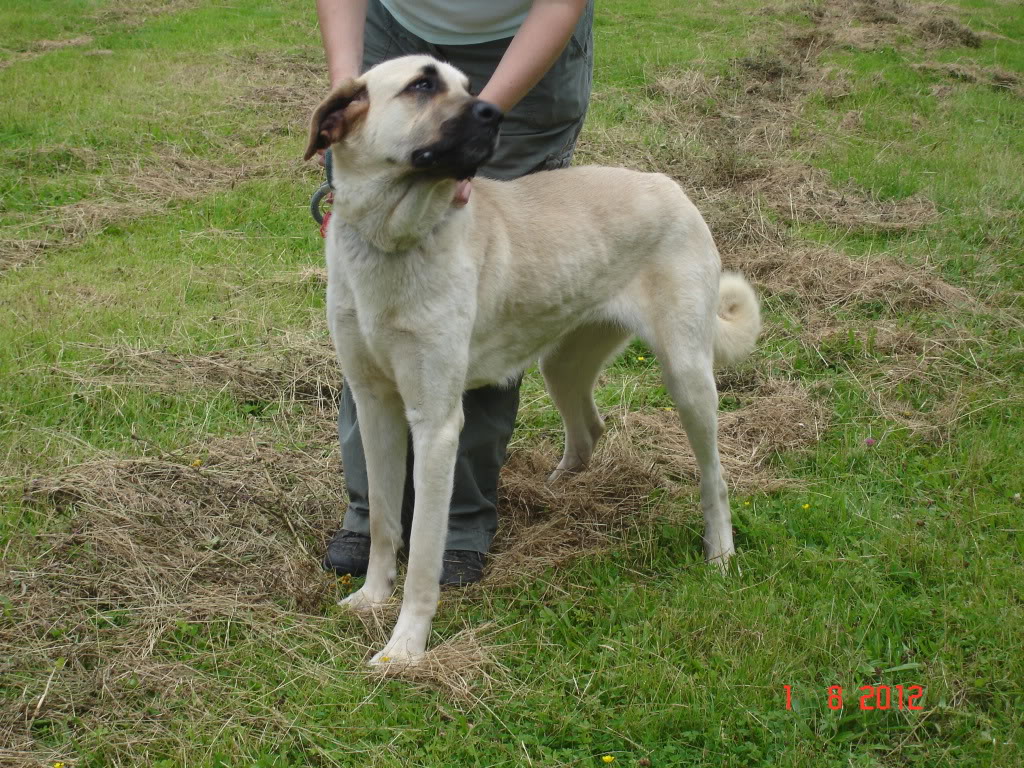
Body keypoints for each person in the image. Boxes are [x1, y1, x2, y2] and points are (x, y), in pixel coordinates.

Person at [316, 0, 594, 585]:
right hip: (394, 29)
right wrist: (348, 91)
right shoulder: (370, 101)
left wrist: (476, 122)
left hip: (528, 44)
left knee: (491, 297)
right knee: (371, 340)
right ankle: (373, 521)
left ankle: (462, 521)